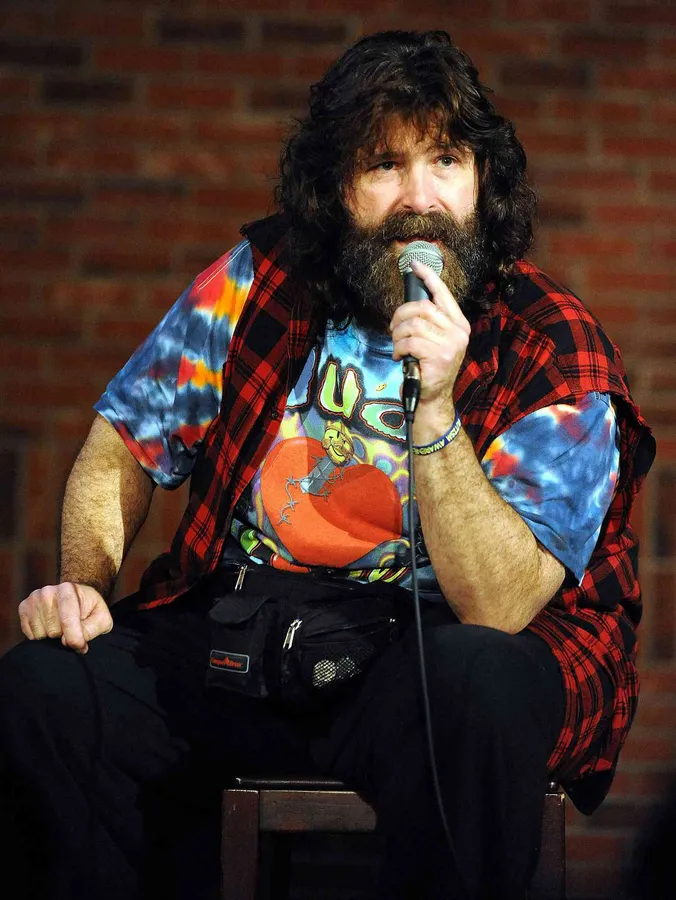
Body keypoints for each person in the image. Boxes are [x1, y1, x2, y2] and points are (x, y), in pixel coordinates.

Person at [0, 29, 655, 900]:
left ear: (483, 181)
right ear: (336, 188)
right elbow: (121, 441)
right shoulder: (262, 277)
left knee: (479, 680)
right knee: (46, 685)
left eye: (447, 161)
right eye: (385, 165)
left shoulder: (557, 350)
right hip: (251, 633)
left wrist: (435, 407)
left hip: (425, 659)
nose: (420, 200)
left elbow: (499, 608)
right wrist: (84, 585)